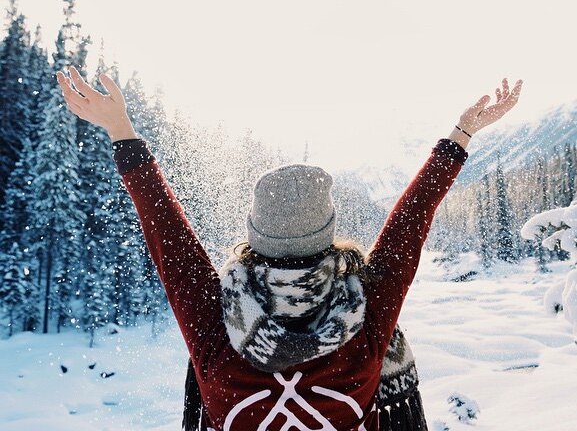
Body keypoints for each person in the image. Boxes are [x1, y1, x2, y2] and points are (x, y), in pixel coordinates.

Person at [56, 67, 523, 431]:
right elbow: (410, 225)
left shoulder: (216, 327)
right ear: (328, 234)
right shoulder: (366, 314)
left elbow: (169, 238)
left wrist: (120, 129)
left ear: (254, 237)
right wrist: (461, 134)